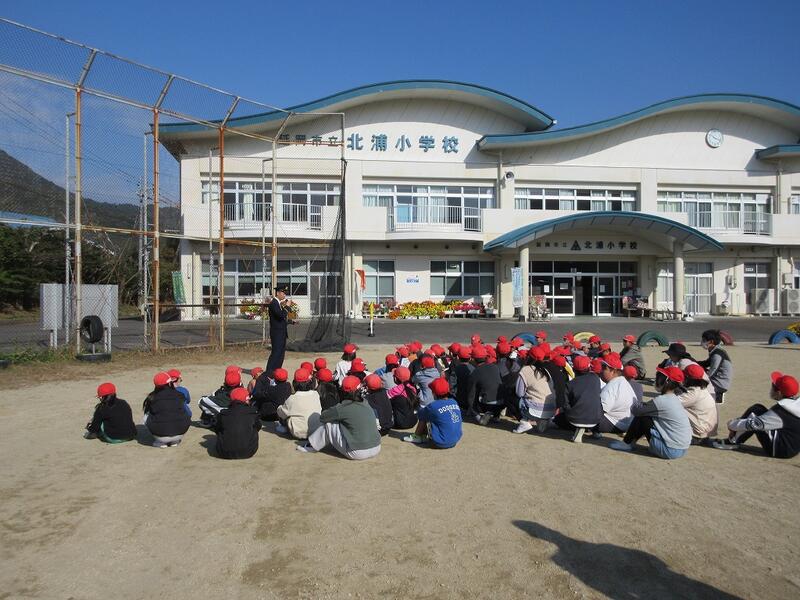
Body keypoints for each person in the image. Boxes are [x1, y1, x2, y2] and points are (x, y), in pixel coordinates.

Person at [610, 366, 692, 459]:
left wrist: (632, 399)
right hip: (682, 449)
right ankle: (630, 442)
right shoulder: (674, 398)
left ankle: (627, 443)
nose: (656, 380)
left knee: (643, 417)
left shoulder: (662, 401)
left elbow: (637, 411)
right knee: (647, 414)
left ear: (667, 381)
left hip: (669, 451)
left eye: (659, 378)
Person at [713, 371, 800, 458]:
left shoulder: (780, 411)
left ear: (779, 393)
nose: (771, 388)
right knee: (758, 409)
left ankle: (731, 442)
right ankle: (734, 439)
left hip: (780, 450)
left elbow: (753, 424)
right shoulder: (795, 404)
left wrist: (732, 425)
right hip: (793, 448)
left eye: (773, 386)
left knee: (755, 412)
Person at [296, 375, 381, 460]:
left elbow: (323, 417)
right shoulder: (365, 402)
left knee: (330, 424)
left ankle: (311, 446)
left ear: (343, 392)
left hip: (358, 452)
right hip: (376, 447)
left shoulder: (342, 407)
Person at [553, 355, 603, 442]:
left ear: (574, 369)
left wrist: (570, 412)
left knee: (558, 419)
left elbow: (565, 404)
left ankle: (580, 428)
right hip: (596, 418)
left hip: (576, 419)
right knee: (592, 407)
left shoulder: (570, 384)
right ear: (589, 368)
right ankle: (594, 430)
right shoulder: (596, 379)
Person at [403, 378, 463, 448]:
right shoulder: (454, 402)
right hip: (455, 441)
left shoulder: (433, 406)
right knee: (435, 415)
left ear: (433, 393)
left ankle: (417, 436)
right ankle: (423, 436)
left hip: (439, 442)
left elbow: (420, 415)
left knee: (425, 415)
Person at [513, 346, 555, 433]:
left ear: (529, 357)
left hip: (534, 409)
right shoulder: (546, 370)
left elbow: (519, 393)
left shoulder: (525, 369)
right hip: (551, 408)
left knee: (512, 397)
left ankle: (524, 422)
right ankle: (542, 420)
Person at [143, 372, 191, 448]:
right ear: (169, 383)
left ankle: (160, 442)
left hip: (161, 435)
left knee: (146, 415)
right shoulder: (180, 394)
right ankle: (175, 441)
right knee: (184, 409)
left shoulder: (152, 397)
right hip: (181, 432)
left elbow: (148, 412)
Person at [213, 387, 260, 459]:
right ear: (246, 400)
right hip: (248, 452)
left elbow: (216, 429)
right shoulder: (252, 412)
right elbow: (258, 426)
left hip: (223, 452)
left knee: (222, 427)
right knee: (254, 426)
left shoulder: (223, 414)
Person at [594, 353, 635, 434]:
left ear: (613, 371)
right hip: (626, 423)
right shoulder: (623, 382)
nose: (601, 371)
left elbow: (601, 409)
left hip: (615, 424)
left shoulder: (612, 385)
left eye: (604, 368)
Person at [276, 368, 321, 439]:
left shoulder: (292, 398)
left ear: (294, 383)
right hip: (316, 431)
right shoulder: (316, 394)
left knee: (282, 410)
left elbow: (281, 413)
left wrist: (279, 407)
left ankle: (283, 428)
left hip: (298, 433)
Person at [679, 363, 718, 445]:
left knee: (670, 411)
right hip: (706, 432)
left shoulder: (693, 393)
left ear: (687, 378)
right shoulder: (702, 389)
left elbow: (668, 404)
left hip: (697, 435)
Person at [468, 346, 503, 425]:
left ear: (473, 359)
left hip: (486, 405)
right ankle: (496, 415)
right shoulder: (495, 367)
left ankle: (482, 417)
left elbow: (471, 395)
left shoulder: (475, 373)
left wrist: (475, 413)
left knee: (474, 395)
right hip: (502, 403)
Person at [697, 329, 733, 404]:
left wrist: (701, 379)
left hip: (720, 383)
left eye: (704, 340)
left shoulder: (717, 354)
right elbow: (707, 363)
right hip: (718, 379)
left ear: (711, 342)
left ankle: (717, 396)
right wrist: (694, 362)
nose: (702, 342)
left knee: (695, 384)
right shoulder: (716, 350)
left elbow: (713, 371)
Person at [266, 285, 292, 374]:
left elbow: (280, 319)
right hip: (277, 333)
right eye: (283, 293)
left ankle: (277, 371)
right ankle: (269, 372)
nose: (284, 295)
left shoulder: (278, 303)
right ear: (278, 293)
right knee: (276, 353)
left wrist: (291, 321)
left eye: (285, 293)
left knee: (281, 354)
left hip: (281, 333)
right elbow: (281, 315)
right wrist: (287, 307)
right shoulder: (274, 303)